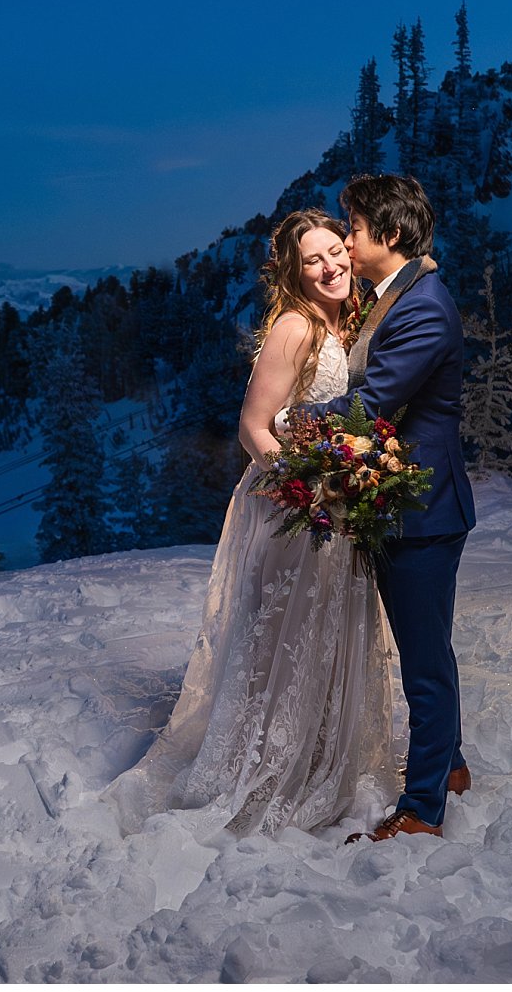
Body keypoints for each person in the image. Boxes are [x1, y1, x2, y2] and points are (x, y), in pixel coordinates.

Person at [104, 209, 396, 839]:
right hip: (295, 501)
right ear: (292, 273)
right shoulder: (294, 327)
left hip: (331, 494)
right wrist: (304, 485)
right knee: (286, 629)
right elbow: (252, 427)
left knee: (324, 624)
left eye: (335, 253)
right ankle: (269, 763)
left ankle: (317, 750)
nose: (332, 266)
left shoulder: (336, 320)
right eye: (313, 260)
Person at [289, 172, 476, 843]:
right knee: (430, 647)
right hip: (408, 504)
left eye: (357, 229)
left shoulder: (423, 305)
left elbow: (373, 403)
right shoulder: (397, 293)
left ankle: (424, 807)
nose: (347, 239)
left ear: (390, 236)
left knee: (424, 662)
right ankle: (450, 763)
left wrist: (296, 419)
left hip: (422, 509)